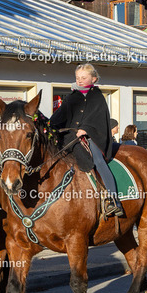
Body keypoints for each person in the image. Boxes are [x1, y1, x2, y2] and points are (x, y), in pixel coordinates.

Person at [50, 64, 124, 217]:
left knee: (98, 161)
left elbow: (100, 119)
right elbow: (60, 116)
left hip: (91, 137)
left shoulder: (97, 98)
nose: (80, 80)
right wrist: (48, 124)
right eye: (77, 77)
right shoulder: (71, 97)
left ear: (94, 79)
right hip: (70, 137)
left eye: (84, 78)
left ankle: (113, 200)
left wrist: (86, 129)